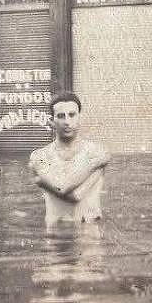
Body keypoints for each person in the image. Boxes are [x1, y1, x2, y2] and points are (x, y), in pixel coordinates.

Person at [29, 91, 110, 223]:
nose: (67, 121)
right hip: (56, 235)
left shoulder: (97, 151)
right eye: (61, 116)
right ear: (51, 121)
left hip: (89, 235)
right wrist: (94, 164)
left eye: (72, 115)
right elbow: (63, 188)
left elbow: (75, 196)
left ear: (79, 118)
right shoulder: (40, 156)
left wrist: (43, 182)